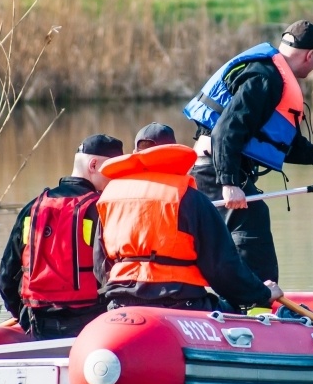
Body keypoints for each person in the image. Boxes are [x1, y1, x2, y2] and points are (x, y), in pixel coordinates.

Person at [183, 19, 313, 282]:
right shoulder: (265, 78)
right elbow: (226, 131)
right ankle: (258, 308)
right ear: (311, 55)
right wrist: (229, 183)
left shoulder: (275, 76)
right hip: (213, 168)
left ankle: (248, 302)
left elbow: (283, 143)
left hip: (219, 167)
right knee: (251, 228)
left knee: (251, 223)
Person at [93, 127, 283, 313]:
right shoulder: (188, 197)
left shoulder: (108, 197)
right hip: (179, 302)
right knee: (236, 309)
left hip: (121, 302)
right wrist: (262, 293)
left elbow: (101, 266)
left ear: (135, 153)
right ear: (172, 152)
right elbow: (222, 268)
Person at [0, 134, 125, 340]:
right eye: (114, 172)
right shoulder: (102, 209)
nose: (116, 179)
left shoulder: (33, 208)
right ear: (93, 165)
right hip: (91, 325)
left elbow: (7, 276)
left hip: (38, 322)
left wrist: (22, 317)